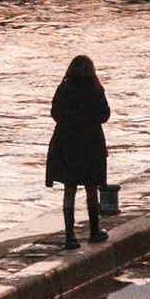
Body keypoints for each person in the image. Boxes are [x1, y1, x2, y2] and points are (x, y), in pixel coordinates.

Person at [45, 54, 110, 248]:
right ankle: (94, 231)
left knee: (69, 189)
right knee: (91, 187)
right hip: (91, 143)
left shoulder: (64, 89)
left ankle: (70, 237)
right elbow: (104, 115)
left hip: (66, 144)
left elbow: (54, 113)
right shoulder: (95, 89)